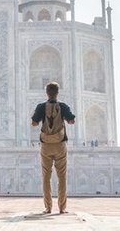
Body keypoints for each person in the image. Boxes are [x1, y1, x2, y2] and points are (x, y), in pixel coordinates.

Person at [31, 81, 75, 214]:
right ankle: (62, 208)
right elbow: (72, 121)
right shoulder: (63, 106)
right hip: (60, 144)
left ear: (47, 93)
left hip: (46, 145)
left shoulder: (41, 106)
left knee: (46, 177)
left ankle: (48, 207)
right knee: (61, 177)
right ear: (57, 93)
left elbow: (33, 123)